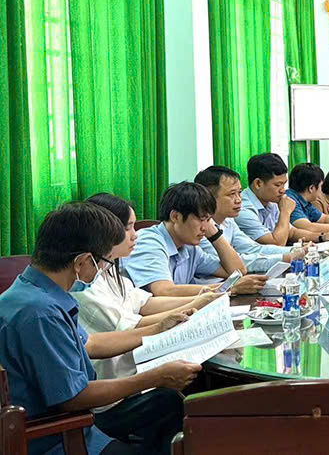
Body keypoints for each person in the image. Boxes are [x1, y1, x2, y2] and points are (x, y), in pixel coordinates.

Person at [0, 202, 202, 455]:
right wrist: (155, 377)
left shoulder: (30, 291)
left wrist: (158, 328)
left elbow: (90, 344)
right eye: (105, 262)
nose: (105, 270)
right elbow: (74, 397)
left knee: (167, 403)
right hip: (59, 437)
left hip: (69, 424)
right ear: (82, 261)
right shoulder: (41, 314)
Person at [74, 193, 223, 382]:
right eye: (127, 228)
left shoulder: (108, 269)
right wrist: (195, 305)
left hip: (135, 365)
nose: (135, 234)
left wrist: (200, 299)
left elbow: (144, 303)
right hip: (118, 377)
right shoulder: (84, 284)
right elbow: (131, 326)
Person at [125, 182, 265, 297]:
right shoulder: (149, 241)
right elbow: (164, 291)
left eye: (208, 220)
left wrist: (215, 234)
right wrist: (229, 287)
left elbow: (236, 272)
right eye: (201, 219)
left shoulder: (190, 249)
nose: (205, 228)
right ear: (175, 216)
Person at [194, 166, 307, 272]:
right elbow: (231, 264)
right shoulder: (201, 229)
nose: (238, 200)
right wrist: (285, 258)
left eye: (239, 192)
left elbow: (253, 249)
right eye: (231, 194)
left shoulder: (228, 221)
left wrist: (296, 251)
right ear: (208, 197)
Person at [234, 153, 317, 246]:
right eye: (277, 185)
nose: (283, 190)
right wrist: (285, 212)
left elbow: (291, 232)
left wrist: (321, 237)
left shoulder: (271, 201)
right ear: (258, 184)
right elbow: (277, 243)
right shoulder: (242, 209)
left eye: (284, 184)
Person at [285, 163, 329, 238]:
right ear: (311, 188)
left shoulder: (305, 202)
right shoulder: (290, 200)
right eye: (321, 186)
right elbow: (308, 227)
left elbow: (324, 218)